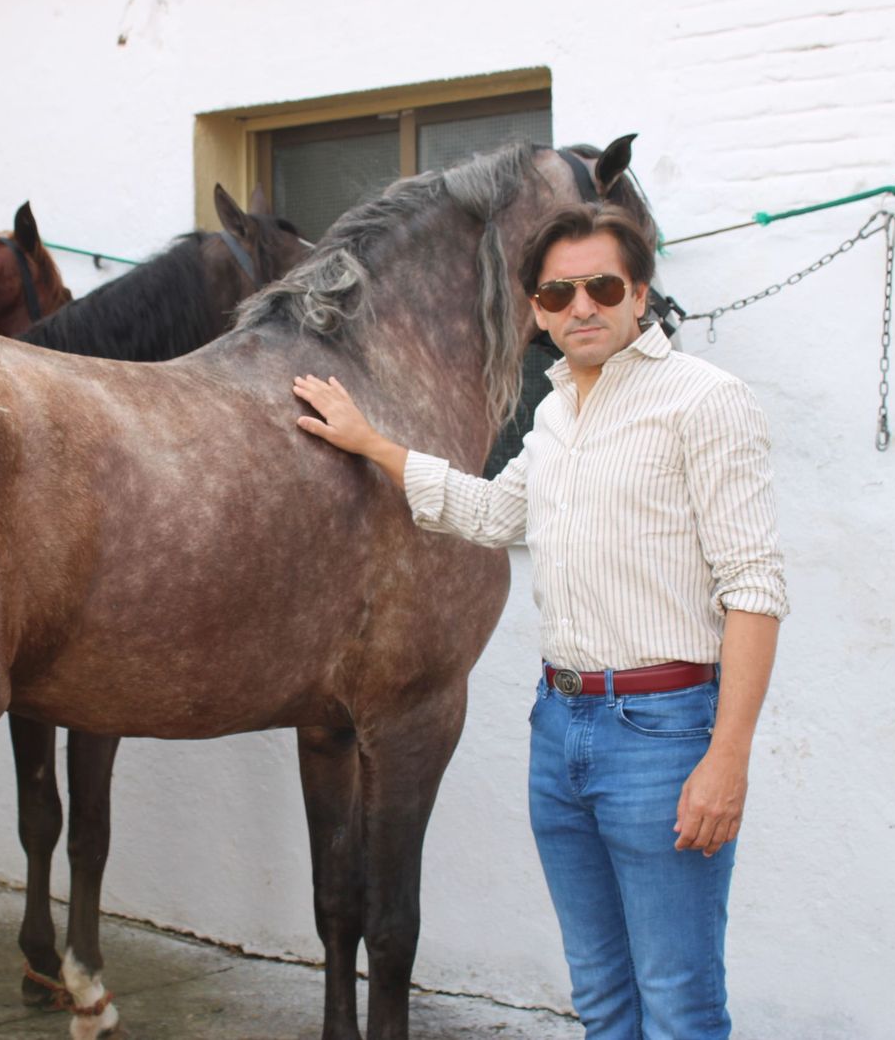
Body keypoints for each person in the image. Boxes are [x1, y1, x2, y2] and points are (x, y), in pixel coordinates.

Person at [290, 202, 787, 1040]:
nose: (580, 308)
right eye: (557, 295)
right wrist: (374, 444)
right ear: (535, 310)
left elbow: (755, 588)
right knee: (598, 995)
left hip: (663, 733)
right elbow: (492, 514)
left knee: (679, 1002)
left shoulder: (705, 401)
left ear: (640, 293)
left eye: (601, 286)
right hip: (560, 727)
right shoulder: (556, 415)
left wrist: (726, 759)